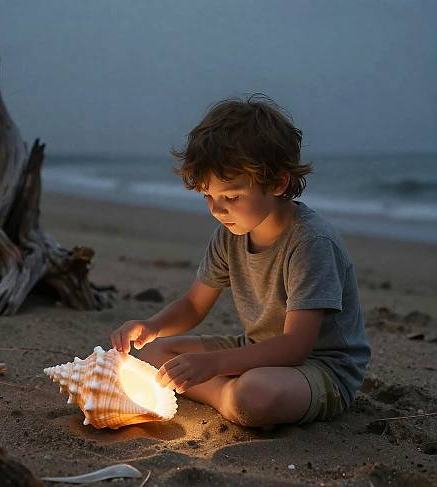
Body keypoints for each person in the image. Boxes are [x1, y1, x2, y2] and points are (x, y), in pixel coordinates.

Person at [110, 95, 370, 428]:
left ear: (277, 183)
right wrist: (152, 326)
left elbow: (295, 347)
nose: (217, 210)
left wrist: (214, 365)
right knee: (152, 356)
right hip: (256, 350)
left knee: (254, 396)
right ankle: (228, 395)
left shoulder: (310, 242)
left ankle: (230, 399)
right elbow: (193, 305)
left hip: (320, 369)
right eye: (208, 196)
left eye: (231, 197)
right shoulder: (229, 234)